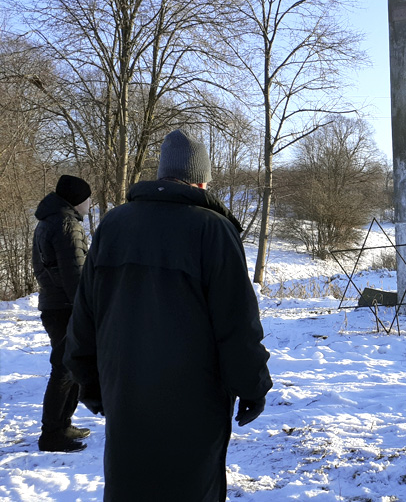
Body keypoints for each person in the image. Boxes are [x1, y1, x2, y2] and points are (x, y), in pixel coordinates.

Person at [64, 129, 272, 501]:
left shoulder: (114, 225)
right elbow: (237, 325)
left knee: (131, 487)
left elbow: (84, 317)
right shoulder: (213, 230)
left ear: (161, 174)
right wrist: (252, 386)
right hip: (194, 399)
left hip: (125, 392)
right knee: (190, 487)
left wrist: (90, 382)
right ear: (201, 178)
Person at [31, 174, 93, 453]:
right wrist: (87, 309)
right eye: (87, 198)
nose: (90, 203)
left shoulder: (49, 221)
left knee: (69, 368)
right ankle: (51, 434)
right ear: (76, 200)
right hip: (67, 309)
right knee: (64, 370)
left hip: (54, 305)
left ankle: (62, 424)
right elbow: (76, 275)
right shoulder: (67, 225)